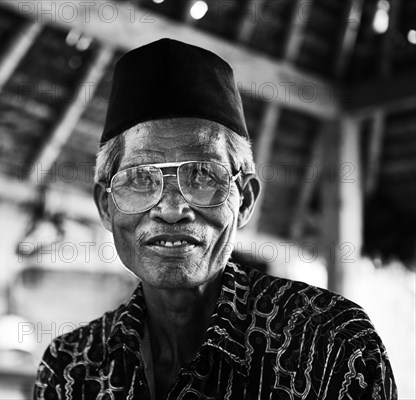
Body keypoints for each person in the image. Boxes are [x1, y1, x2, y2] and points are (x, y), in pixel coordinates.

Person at [33, 38, 396, 399]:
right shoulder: (70, 369)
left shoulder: (332, 344)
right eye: (141, 178)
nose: (172, 209)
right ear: (105, 206)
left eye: (204, 175)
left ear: (245, 200)